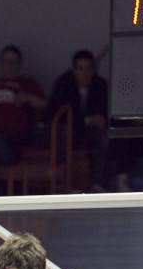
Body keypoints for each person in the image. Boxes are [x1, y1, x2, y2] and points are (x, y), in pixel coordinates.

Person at [44, 49, 109, 188]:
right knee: (63, 134)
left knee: (105, 139)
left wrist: (101, 120)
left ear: (94, 69)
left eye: (89, 68)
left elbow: (105, 112)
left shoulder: (100, 85)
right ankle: (64, 184)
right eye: (80, 69)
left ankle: (97, 185)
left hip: (92, 132)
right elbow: (54, 114)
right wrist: (87, 120)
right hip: (69, 131)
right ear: (74, 70)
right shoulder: (63, 83)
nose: (85, 73)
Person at [0, 45, 46, 165]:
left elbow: (45, 104)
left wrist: (28, 97)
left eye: (14, 61)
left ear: (19, 64)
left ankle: (13, 171)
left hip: (17, 132)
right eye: (6, 61)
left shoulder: (26, 82)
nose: (10, 64)